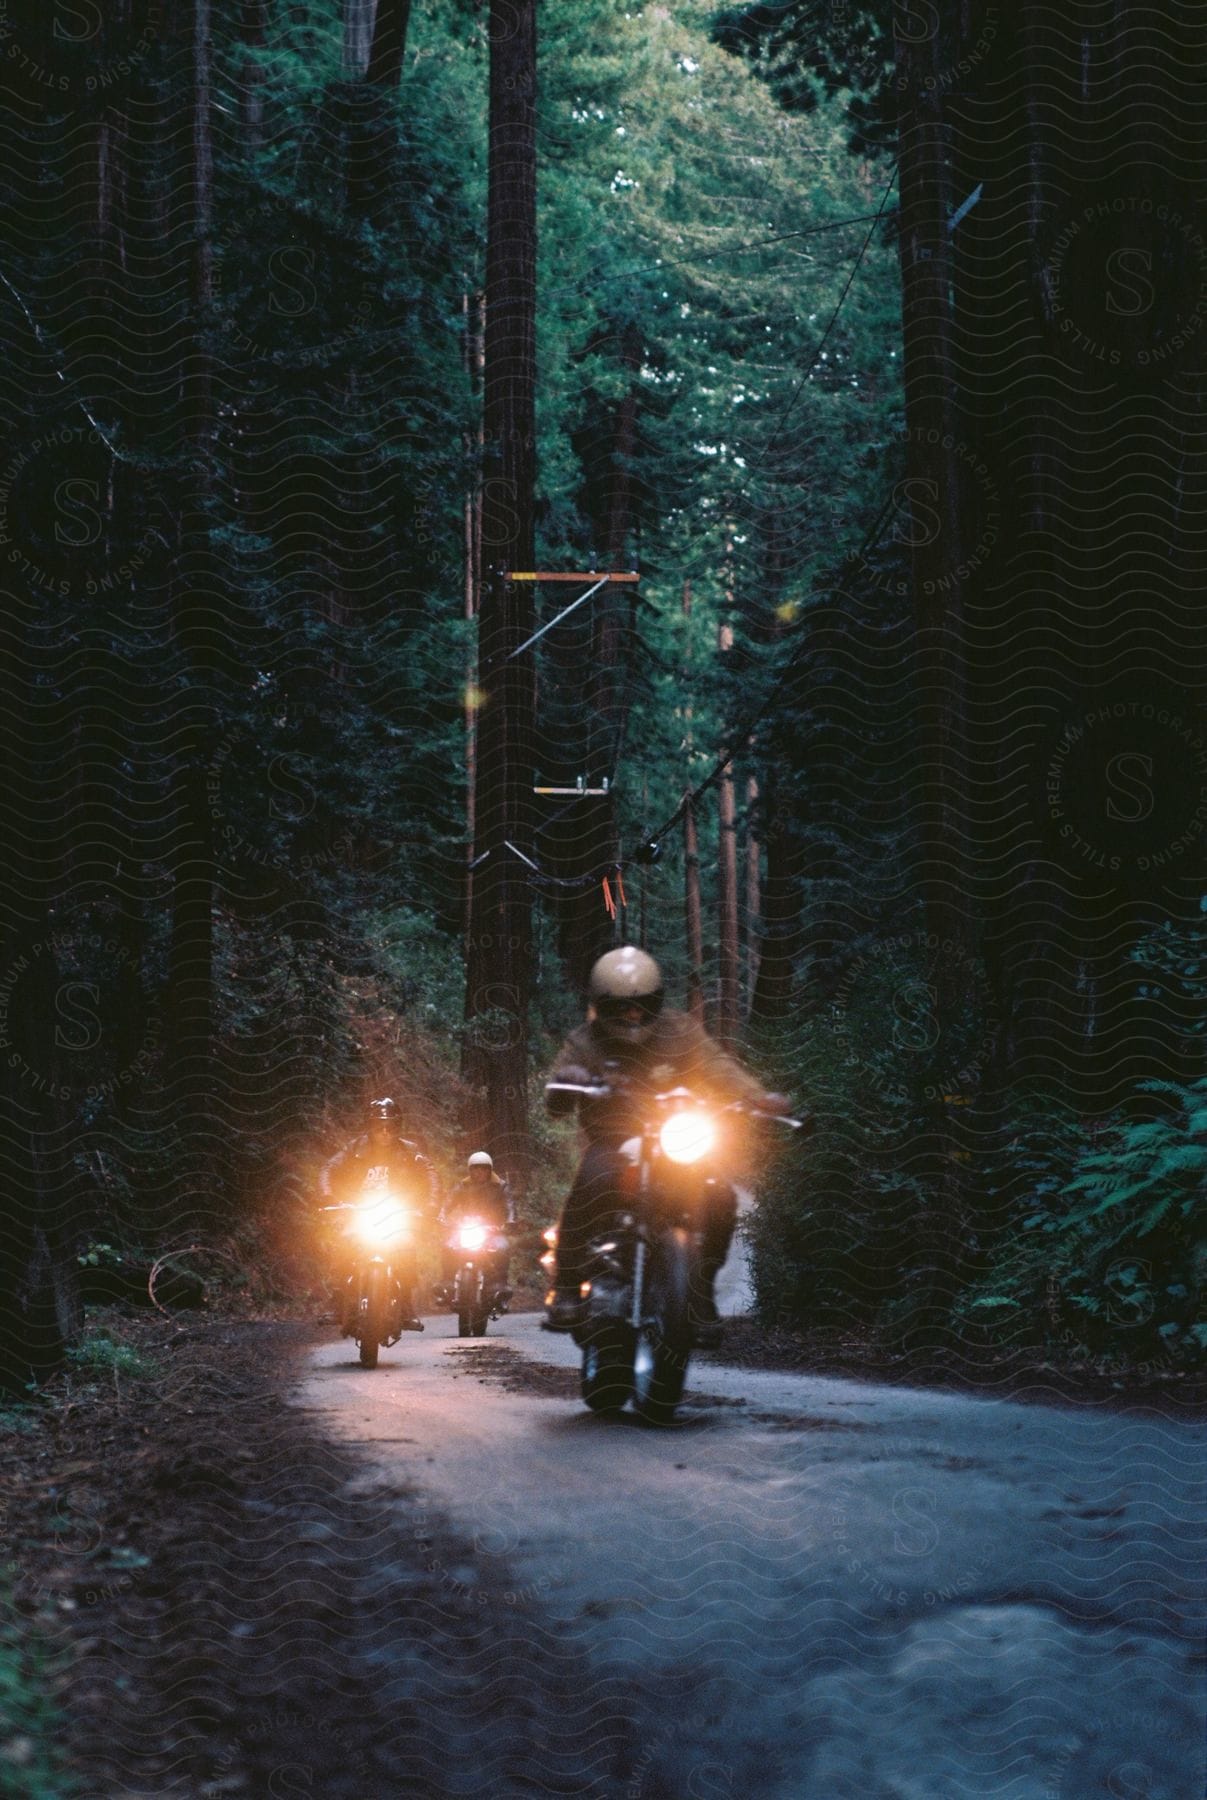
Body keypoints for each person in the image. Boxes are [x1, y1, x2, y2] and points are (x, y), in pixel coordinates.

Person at [543, 946, 789, 1339]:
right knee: (589, 1183)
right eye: (622, 1007)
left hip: (676, 1135)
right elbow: (557, 1097)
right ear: (601, 1006)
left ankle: (701, 1291)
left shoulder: (680, 1032)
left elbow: (718, 1067)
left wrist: (759, 1099)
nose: (634, 1015)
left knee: (720, 1197)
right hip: (616, 1141)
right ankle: (568, 1287)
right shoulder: (585, 1042)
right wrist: (569, 1082)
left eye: (642, 1005)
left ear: (657, 1000)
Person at [319, 1097, 441, 1331]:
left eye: (390, 1126)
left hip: (398, 1212)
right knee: (344, 1244)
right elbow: (329, 1167)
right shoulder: (354, 1148)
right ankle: (338, 1299)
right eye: (379, 1126)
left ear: (398, 1127)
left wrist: (431, 1204)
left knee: (406, 1247)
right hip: (358, 1210)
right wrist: (328, 1195)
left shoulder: (410, 1150)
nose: (384, 1132)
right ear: (370, 1127)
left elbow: (430, 1172)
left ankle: (405, 1304)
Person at [436, 1151, 514, 1309]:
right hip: (466, 1227)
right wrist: (442, 1216)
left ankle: (500, 1288)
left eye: (484, 1169)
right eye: (475, 1168)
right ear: (470, 1170)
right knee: (448, 1246)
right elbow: (448, 1203)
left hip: (493, 1231)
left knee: (503, 1248)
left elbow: (510, 1206)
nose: (479, 1172)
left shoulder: (501, 1186)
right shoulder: (462, 1186)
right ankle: (447, 1284)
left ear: (490, 1170)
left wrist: (510, 1221)